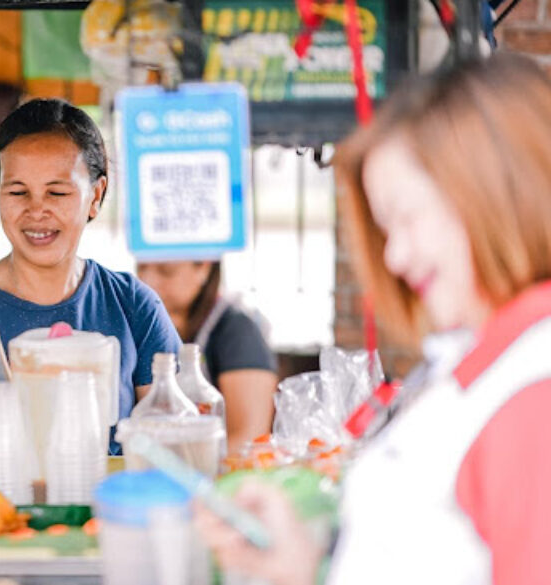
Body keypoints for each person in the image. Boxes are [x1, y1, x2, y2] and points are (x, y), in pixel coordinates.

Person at [196, 53, 551, 585]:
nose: (395, 257)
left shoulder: (534, 394)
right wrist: (304, 562)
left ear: (497, 192)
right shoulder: (481, 364)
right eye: (387, 228)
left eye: (409, 217)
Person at [0, 98, 181, 453]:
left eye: (57, 192)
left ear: (96, 196)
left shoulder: (133, 305)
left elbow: (178, 440)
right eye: (18, 192)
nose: (36, 210)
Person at [137, 260, 278, 450]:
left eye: (166, 271)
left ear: (203, 268)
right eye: (142, 268)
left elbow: (248, 436)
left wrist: (182, 463)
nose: (148, 280)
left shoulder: (238, 332)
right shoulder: (146, 328)